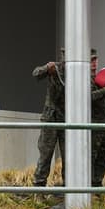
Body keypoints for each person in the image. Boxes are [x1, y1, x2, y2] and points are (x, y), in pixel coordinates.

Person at [32, 50, 65, 186]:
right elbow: (36, 73)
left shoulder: (77, 72)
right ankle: (39, 186)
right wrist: (47, 68)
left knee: (68, 156)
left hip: (66, 119)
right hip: (50, 117)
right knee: (45, 154)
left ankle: (67, 189)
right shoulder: (55, 67)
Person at [89, 48, 105, 188]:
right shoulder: (85, 79)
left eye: (95, 60)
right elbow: (89, 97)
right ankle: (90, 186)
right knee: (92, 156)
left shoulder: (101, 78)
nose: (94, 63)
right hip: (94, 125)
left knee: (103, 156)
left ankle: (97, 184)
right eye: (91, 60)